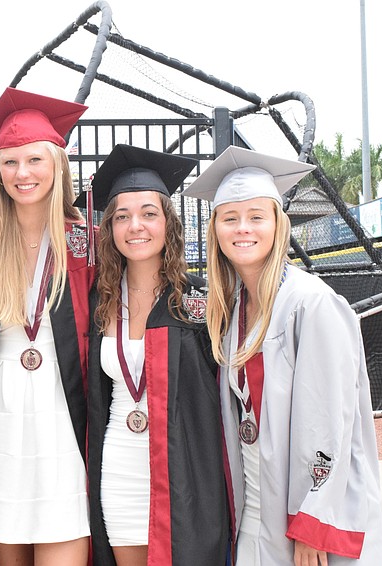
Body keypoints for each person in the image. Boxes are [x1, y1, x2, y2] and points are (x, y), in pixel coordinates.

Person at [182, 146, 382, 565]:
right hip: (256, 506)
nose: (243, 229)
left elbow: (330, 421)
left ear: (278, 224)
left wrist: (311, 521)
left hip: (302, 514)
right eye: (230, 217)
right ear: (215, 228)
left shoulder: (311, 304)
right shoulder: (237, 305)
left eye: (257, 216)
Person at [78, 144, 229, 565]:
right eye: (121, 216)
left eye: (148, 213)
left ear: (168, 222)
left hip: (185, 464)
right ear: (108, 228)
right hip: (121, 461)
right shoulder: (100, 301)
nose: (135, 226)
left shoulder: (199, 300)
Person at [0, 87, 92, 565]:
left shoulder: (89, 247)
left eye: (34, 160)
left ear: (57, 165)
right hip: (0, 417)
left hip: (63, 418)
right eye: (10, 163)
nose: (23, 173)